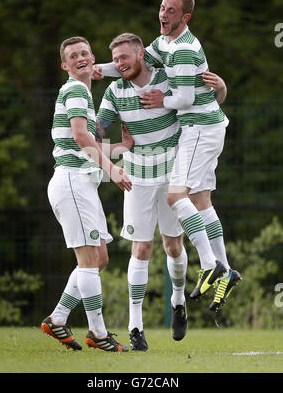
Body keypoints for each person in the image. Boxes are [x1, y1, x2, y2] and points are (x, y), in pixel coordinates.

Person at [139, 0, 242, 311]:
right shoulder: (165, 42)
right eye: (162, 7)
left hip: (200, 130)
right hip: (206, 127)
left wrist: (161, 99)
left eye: (171, 11)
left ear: (185, 17)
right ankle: (226, 272)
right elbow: (140, 61)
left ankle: (212, 265)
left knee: (175, 196)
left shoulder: (183, 48)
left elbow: (183, 99)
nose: (163, 14)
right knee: (200, 200)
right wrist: (97, 69)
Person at [95, 33, 188, 351]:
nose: (119, 64)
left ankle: (178, 301)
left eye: (124, 57)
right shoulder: (114, 90)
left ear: (140, 55)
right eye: (115, 60)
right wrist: (83, 127)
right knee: (141, 249)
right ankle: (136, 328)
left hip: (173, 174)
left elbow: (197, 103)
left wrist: (220, 91)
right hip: (136, 179)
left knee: (173, 246)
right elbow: (96, 129)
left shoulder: (167, 78)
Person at [41, 36, 134, 352]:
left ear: (93, 60)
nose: (80, 58)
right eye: (73, 56)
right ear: (64, 66)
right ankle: (98, 332)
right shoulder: (76, 90)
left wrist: (121, 149)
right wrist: (112, 169)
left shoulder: (80, 91)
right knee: (90, 260)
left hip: (79, 183)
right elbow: (82, 138)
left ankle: (58, 318)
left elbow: (76, 143)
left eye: (85, 53)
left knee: (99, 258)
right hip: (72, 184)